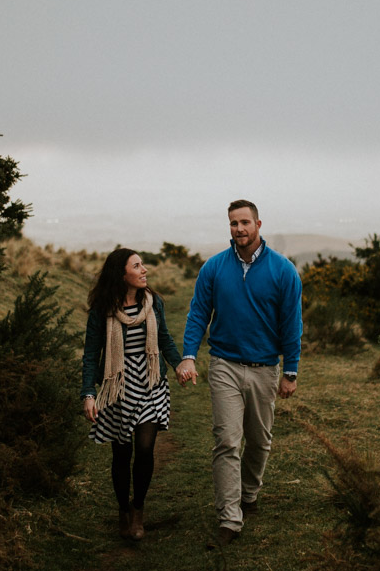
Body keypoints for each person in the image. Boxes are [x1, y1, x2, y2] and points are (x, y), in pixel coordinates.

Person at [175, 199, 302, 547]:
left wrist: (290, 370)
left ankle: (249, 494)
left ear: (259, 224)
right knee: (228, 441)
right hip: (225, 365)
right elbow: (198, 313)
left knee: (259, 442)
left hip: (265, 369)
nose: (239, 229)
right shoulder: (214, 268)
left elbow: (292, 324)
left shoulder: (283, 271)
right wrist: (188, 356)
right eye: (233, 223)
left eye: (245, 222)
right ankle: (230, 519)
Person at [81, 247, 184, 541]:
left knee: (145, 449)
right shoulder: (103, 310)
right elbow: (91, 354)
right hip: (117, 386)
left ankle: (138, 510)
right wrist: (89, 393)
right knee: (121, 453)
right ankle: (122, 510)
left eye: (143, 265)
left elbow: (163, 337)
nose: (144, 270)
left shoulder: (153, 303)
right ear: (121, 274)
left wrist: (178, 365)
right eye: (137, 266)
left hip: (150, 382)